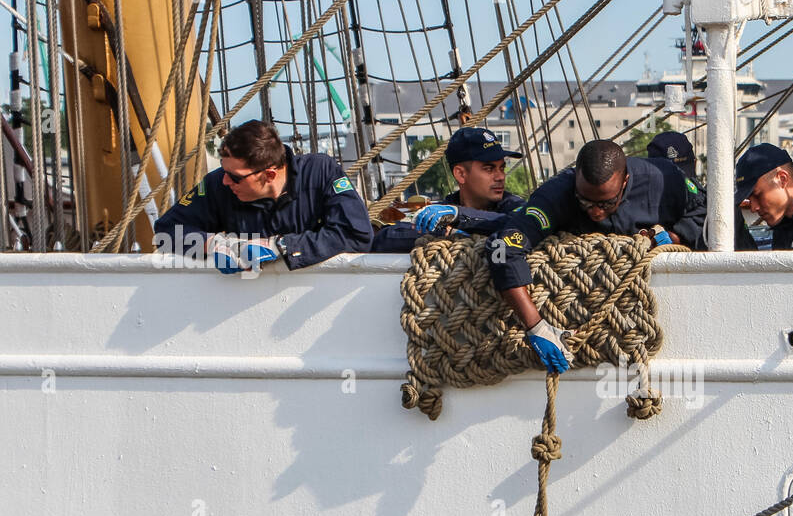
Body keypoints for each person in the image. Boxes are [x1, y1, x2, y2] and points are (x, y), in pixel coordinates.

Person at [487, 138, 707, 374]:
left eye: (607, 203)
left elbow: (706, 211)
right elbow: (502, 248)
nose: (595, 212)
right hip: (579, 312)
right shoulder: (556, 194)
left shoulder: (664, 179)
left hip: (647, 316)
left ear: (625, 181)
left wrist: (675, 237)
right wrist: (536, 327)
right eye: (585, 201)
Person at [153, 119, 372, 273]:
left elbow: (356, 234)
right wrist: (214, 244)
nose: (225, 181)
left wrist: (281, 247)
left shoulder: (320, 173)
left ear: (269, 174)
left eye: (235, 176)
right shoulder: (217, 185)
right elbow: (166, 232)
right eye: (224, 170)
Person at [371, 126, 527, 253]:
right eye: (489, 169)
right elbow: (383, 239)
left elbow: (522, 223)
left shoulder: (512, 205)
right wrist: (444, 233)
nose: (500, 177)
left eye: (502, 168)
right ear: (460, 174)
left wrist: (460, 217)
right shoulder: (442, 211)